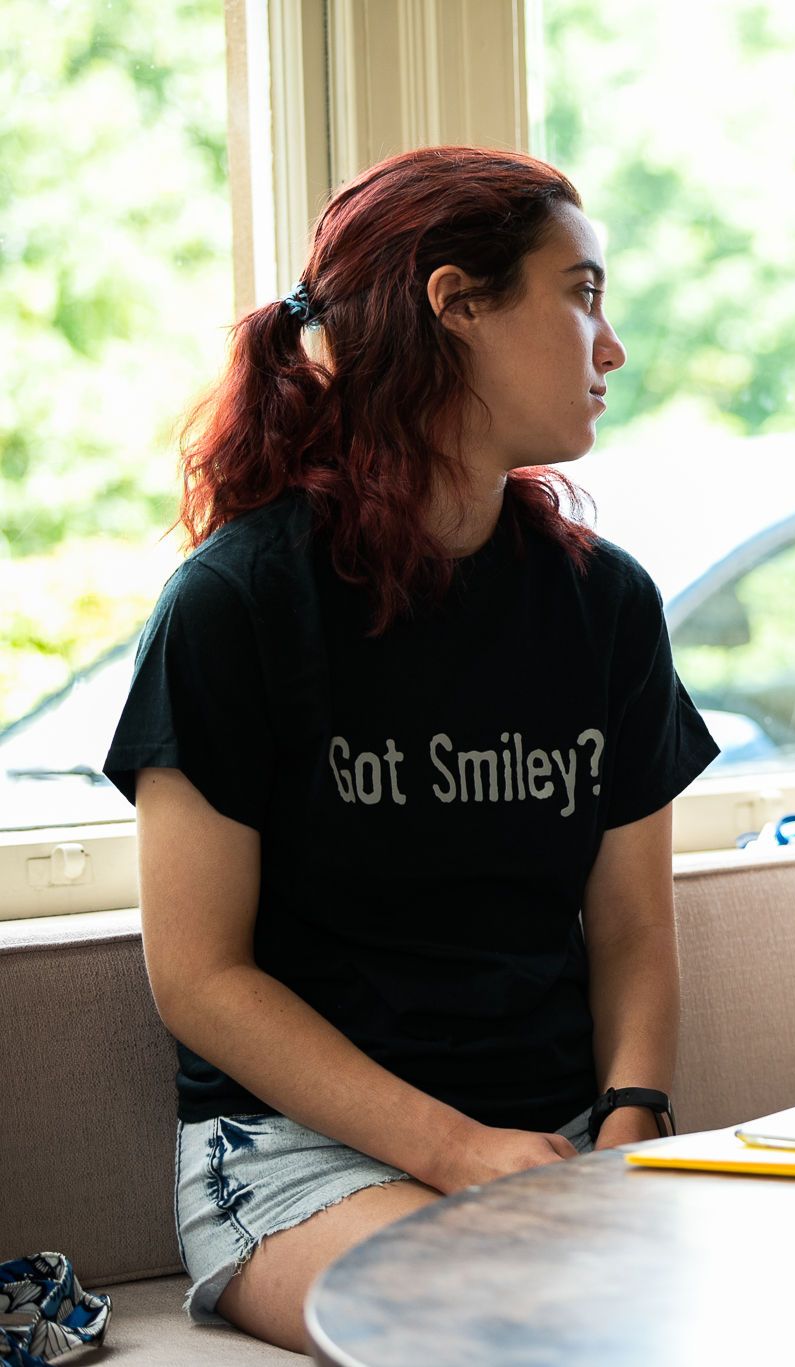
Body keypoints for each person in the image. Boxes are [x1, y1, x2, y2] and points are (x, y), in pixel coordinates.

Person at [102, 146, 718, 1350]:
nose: (613, 344)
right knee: (509, 1322)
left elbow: (637, 926)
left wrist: (630, 1126)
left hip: (550, 1139)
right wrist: (457, 1152)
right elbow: (199, 977)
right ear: (455, 304)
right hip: (295, 1163)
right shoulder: (235, 606)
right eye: (581, 291)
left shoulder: (607, 606)